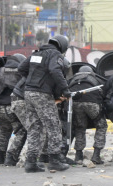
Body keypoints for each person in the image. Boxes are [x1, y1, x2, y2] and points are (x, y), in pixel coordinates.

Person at [18, 34, 71, 173]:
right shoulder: (55, 54)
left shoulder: (37, 53)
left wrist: (33, 80)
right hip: (42, 94)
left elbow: (21, 68)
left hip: (28, 93)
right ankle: (54, 160)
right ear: (62, 46)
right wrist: (65, 89)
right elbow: (55, 70)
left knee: (35, 127)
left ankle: (31, 162)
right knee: (53, 125)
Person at [0, 54, 27, 165]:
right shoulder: (22, 72)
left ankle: (0, 157)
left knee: (4, 130)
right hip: (14, 105)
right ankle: (11, 157)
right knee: (21, 131)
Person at [69, 66, 107, 164]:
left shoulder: (72, 79)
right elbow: (105, 94)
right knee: (101, 126)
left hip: (76, 104)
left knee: (80, 128)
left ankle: (78, 156)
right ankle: (96, 155)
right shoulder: (96, 78)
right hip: (92, 104)